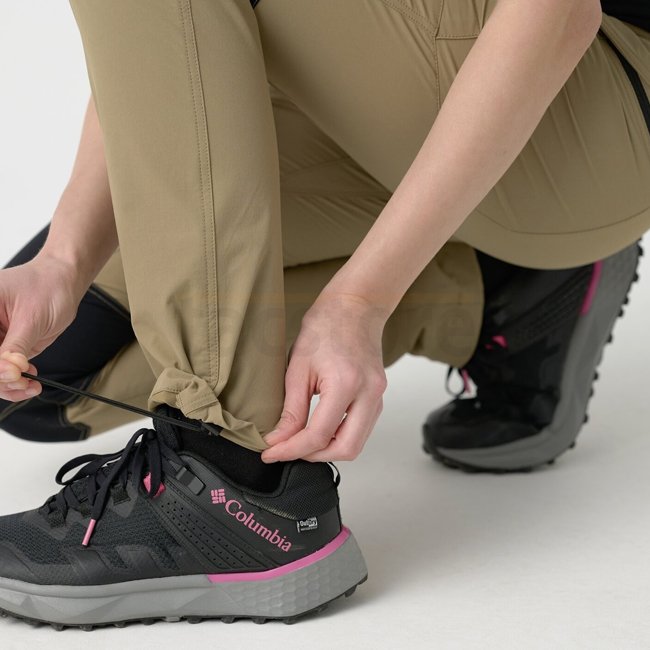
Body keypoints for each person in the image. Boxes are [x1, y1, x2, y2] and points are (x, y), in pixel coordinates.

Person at [0, 0, 648, 630]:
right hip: (386, 101)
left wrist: (361, 301)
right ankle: (497, 296)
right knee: (55, 374)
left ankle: (231, 476)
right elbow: (160, 50)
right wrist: (63, 263)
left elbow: (559, 12)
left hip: (584, 111)